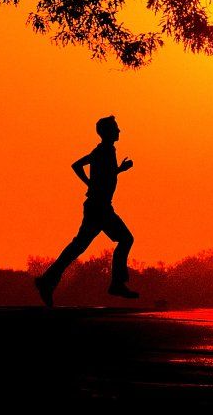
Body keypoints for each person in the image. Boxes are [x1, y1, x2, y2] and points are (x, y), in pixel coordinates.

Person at [34, 115, 137, 305]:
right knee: (125, 239)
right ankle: (117, 283)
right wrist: (93, 182)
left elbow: (82, 167)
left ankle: (47, 281)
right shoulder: (104, 151)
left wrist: (115, 171)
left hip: (97, 206)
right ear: (108, 132)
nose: (119, 131)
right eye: (116, 128)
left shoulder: (104, 150)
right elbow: (83, 168)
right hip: (100, 207)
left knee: (78, 246)